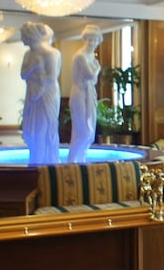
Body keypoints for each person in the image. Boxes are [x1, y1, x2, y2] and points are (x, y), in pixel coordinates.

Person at [20, 21, 62, 165]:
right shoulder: (28, 54)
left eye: (24, 35)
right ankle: (36, 162)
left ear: (31, 36)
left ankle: (45, 164)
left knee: (42, 129)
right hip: (32, 94)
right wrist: (34, 68)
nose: (22, 38)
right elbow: (23, 74)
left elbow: (51, 78)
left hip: (47, 95)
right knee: (30, 132)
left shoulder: (51, 53)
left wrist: (33, 75)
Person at [68, 25, 103, 163]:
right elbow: (90, 75)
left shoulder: (90, 57)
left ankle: (81, 161)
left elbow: (93, 80)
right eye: (88, 39)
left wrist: (95, 69)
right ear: (84, 39)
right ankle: (72, 162)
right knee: (82, 132)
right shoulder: (80, 56)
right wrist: (97, 67)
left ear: (98, 41)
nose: (91, 42)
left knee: (89, 134)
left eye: (93, 39)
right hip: (80, 94)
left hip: (89, 93)